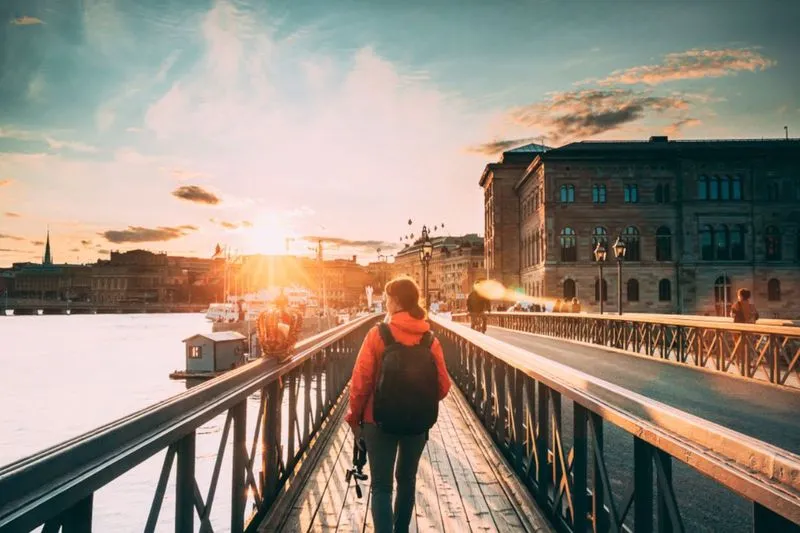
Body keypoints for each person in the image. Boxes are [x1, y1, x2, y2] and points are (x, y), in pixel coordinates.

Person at [346, 277, 450, 533]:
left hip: (377, 420)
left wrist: (354, 419)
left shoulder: (378, 335)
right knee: (407, 480)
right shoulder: (429, 340)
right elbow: (443, 386)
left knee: (381, 486)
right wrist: (417, 400)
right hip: (417, 422)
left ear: (395, 302)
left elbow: (360, 382)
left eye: (387, 298)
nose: (385, 302)